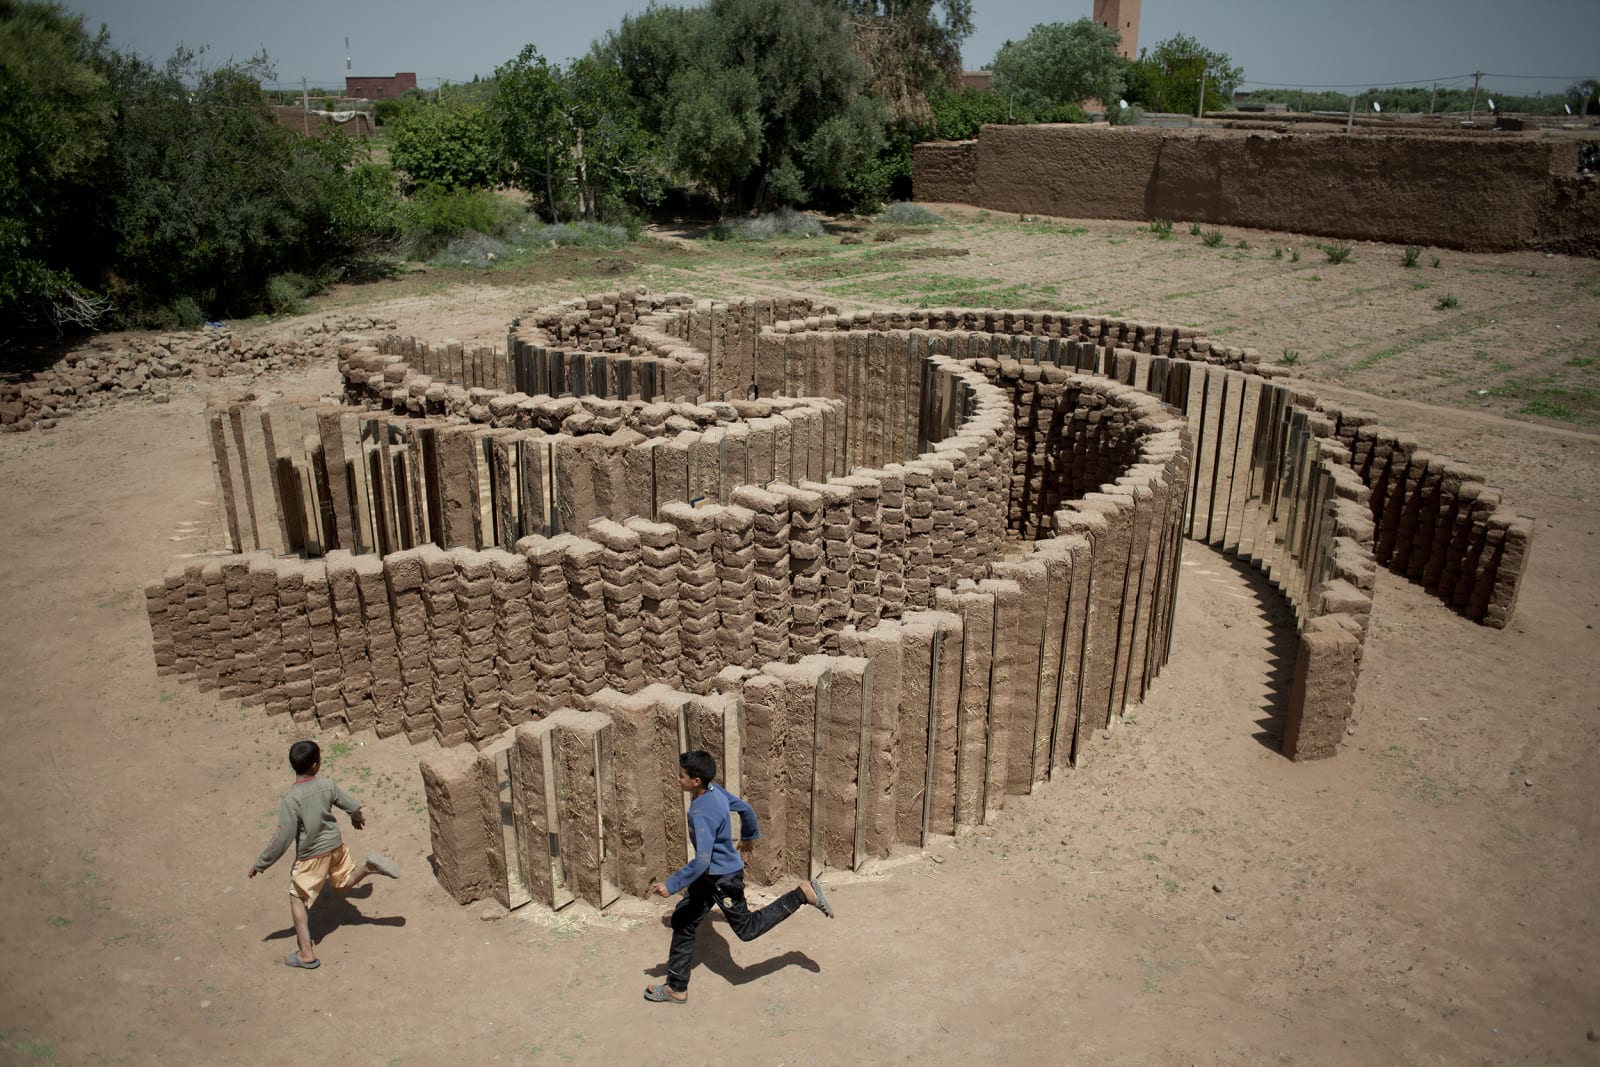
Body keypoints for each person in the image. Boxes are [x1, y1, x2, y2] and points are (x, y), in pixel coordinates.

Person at [644, 750, 833, 1004]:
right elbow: (744, 808)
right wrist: (748, 838)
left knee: (747, 929)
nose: (679, 779)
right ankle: (676, 988)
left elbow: (701, 861)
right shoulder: (716, 791)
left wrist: (672, 884)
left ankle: (802, 894)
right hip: (711, 877)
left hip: (722, 880)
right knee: (683, 919)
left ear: (696, 781)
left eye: (682, 776)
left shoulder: (701, 812)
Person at [248, 740, 400, 970]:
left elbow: (283, 837)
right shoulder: (327, 785)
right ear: (316, 765)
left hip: (311, 856)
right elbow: (349, 803)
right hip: (335, 846)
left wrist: (261, 863)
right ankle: (367, 868)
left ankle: (306, 953)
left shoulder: (291, 799)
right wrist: (356, 817)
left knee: (297, 897)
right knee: (340, 885)